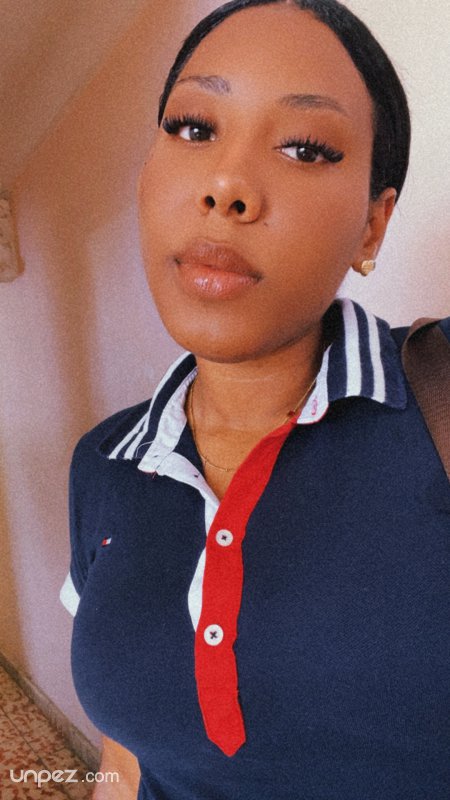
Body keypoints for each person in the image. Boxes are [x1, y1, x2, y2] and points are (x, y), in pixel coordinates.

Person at [60, 1, 449, 798]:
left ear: (372, 226)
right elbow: (126, 763)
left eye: (305, 148)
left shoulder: (439, 395)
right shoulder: (102, 464)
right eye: (194, 128)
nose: (226, 186)